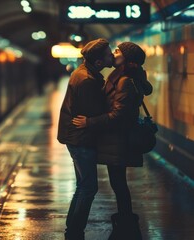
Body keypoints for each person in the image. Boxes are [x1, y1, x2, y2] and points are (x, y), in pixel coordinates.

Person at [72, 42, 153, 240]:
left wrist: (89, 122)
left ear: (126, 58)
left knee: (119, 184)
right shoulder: (122, 76)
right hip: (115, 140)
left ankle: (126, 224)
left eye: (118, 51)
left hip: (118, 140)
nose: (114, 53)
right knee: (118, 183)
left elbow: (118, 115)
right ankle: (125, 221)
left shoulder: (124, 80)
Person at [57, 38, 114, 240]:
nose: (112, 56)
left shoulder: (84, 72)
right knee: (88, 187)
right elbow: (96, 113)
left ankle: (72, 228)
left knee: (83, 185)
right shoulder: (87, 80)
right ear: (99, 62)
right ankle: (74, 231)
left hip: (76, 137)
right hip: (81, 138)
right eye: (109, 54)